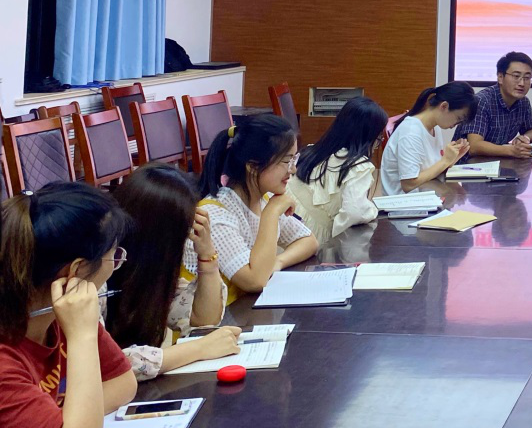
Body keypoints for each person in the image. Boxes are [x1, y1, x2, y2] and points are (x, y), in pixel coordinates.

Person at [0, 183, 138, 427]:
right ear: (76, 270)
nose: (116, 265)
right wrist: (82, 336)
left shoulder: (64, 311)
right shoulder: (5, 364)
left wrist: (66, 418)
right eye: (114, 257)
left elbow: (123, 383)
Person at [106, 164, 241, 380]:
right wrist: (199, 348)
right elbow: (110, 365)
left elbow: (203, 320)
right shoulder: (99, 273)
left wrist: (207, 255)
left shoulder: (152, 272)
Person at [184, 114, 319, 303]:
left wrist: (278, 262)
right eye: (286, 161)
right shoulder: (214, 215)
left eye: (294, 159)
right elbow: (255, 280)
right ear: (253, 167)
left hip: (239, 311)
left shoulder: (263, 199)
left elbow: (308, 241)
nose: (293, 169)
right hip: (211, 318)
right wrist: (271, 214)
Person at [290, 97, 389, 244]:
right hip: (307, 236)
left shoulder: (312, 150)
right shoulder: (357, 165)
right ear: (368, 137)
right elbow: (355, 212)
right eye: (379, 137)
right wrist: (372, 209)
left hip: (284, 226)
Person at [379, 82, 475, 195]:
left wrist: (452, 158)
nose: (457, 124)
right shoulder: (411, 132)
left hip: (426, 195)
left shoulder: (435, 128)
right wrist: (445, 160)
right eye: (458, 118)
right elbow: (409, 184)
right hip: (405, 203)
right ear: (444, 106)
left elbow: (431, 170)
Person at [458, 52, 532, 158]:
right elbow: (474, 146)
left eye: (527, 78)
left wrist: (524, 138)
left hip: (497, 162)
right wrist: (511, 151)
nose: (522, 83)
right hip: (468, 164)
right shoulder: (482, 101)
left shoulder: (523, 102)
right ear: (500, 77)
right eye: (516, 76)